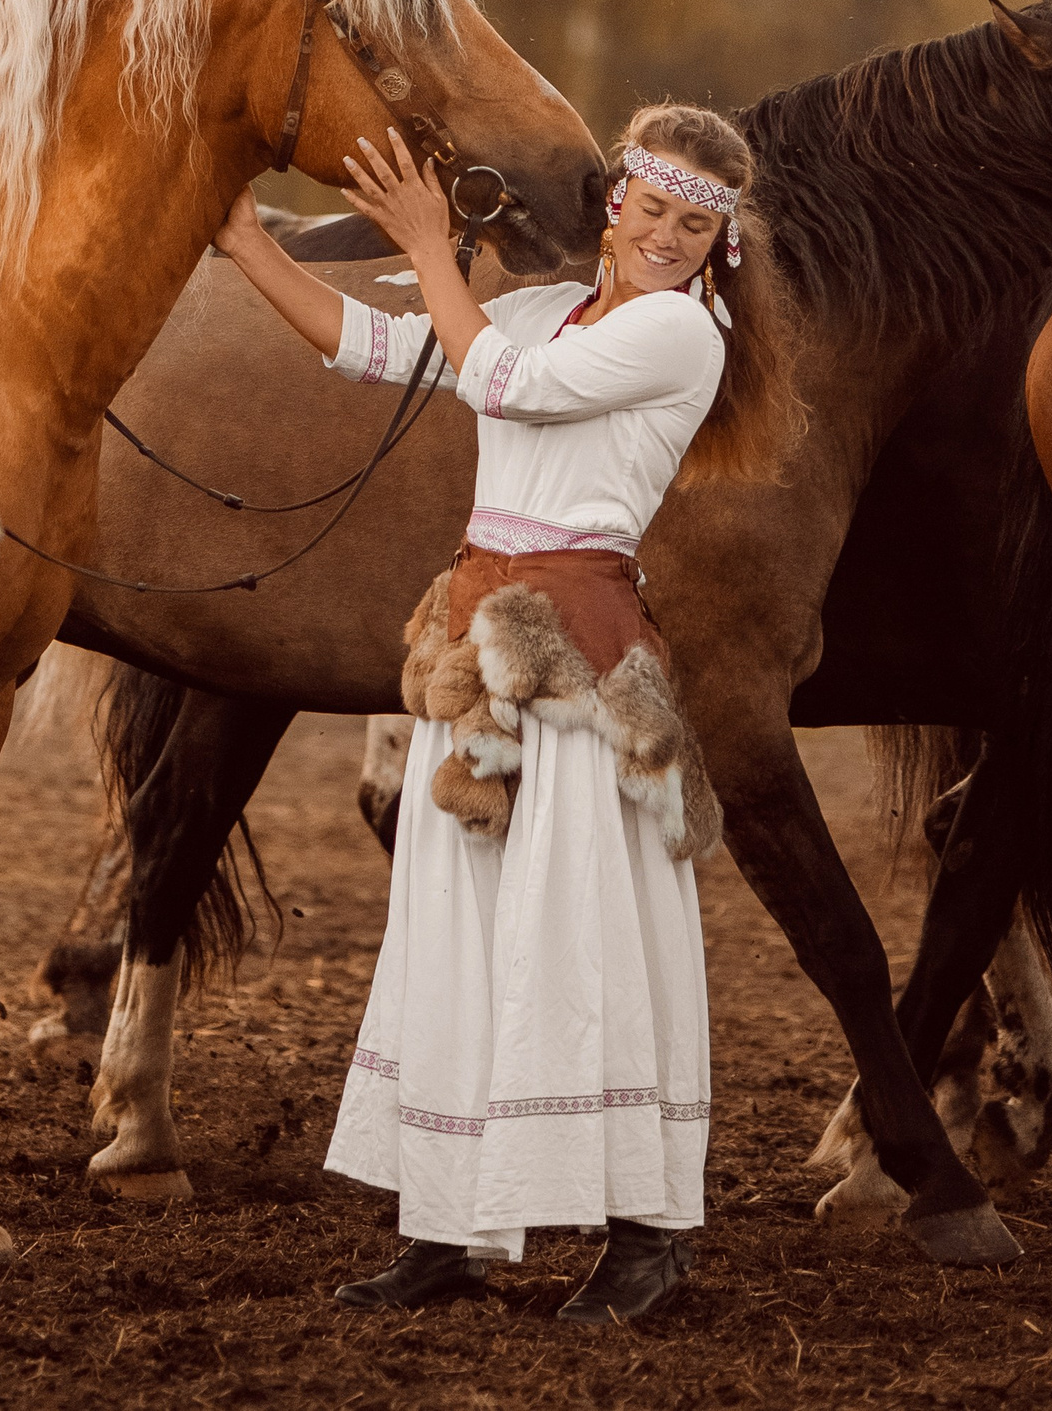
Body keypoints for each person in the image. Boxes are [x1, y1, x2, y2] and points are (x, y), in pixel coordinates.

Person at [213, 103, 803, 1324]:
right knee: (458, 931)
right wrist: (246, 246)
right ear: (614, 204)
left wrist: (429, 239)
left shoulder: (675, 339)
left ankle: (648, 1238)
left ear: (717, 245)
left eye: (697, 225)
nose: (670, 237)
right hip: (476, 651)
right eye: (654, 209)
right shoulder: (544, 309)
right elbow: (380, 349)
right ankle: (447, 1229)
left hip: (577, 667)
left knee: (579, 941)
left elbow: (509, 387)